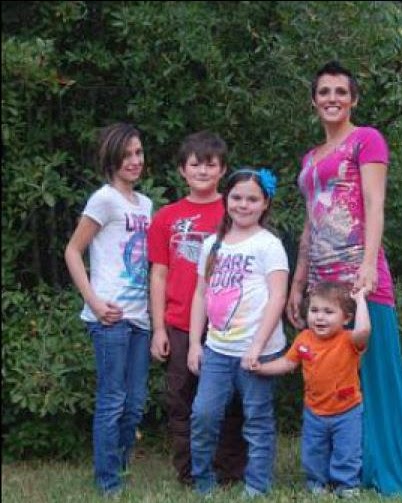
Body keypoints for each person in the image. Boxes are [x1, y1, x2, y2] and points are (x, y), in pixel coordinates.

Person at [286, 60, 402, 497]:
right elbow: (310, 223)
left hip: (360, 280)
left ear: (354, 99)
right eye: (324, 92)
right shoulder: (310, 158)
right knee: (333, 379)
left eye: (341, 92)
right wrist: (297, 282)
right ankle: (344, 469)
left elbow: (374, 203)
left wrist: (367, 264)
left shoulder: (367, 139)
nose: (332, 99)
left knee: (376, 378)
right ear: (314, 101)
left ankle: (387, 470)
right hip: (322, 288)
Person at [147, 131, 247, 486]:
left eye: (211, 164)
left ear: (223, 170)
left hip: (227, 323)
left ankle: (229, 471)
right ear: (182, 170)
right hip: (178, 323)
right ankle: (189, 472)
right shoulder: (166, 217)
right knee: (181, 401)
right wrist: (159, 328)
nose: (203, 171)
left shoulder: (235, 211)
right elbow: (158, 274)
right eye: (195, 164)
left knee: (229, 401)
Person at [187, 168, 289, 497]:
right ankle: (203, 480)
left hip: (258, 352)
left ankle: (257, 485)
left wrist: (257, 346)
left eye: (252, 199)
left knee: (257, 420)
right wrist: (194, 343)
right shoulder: (211, 245)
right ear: (226, 199)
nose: (243, 205)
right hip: (217, 349)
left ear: (265, 203)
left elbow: (278, 297)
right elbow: (201, 294)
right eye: (237, 197)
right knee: (204, 414)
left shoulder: (269, 245)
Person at [64, 122, 152, 497]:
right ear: (111, 159)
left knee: (134, 405)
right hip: (110, 319)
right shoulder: (103, 199)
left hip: (140, 318)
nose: (134, 161)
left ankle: (121, 468)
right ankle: (108, 483)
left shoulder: (145, 204)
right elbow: (72, 251)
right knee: (112, 402)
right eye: (126, 154)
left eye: (138, 153)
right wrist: (95, 304)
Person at [252, 281, 370, 499]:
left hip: (347, 411)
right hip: (314, 411)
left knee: (347, 451)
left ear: (346, 318)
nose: (320, 317)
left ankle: (346, 484)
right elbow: (287, 363)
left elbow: (363, 330)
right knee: (313, 451)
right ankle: (316, 483)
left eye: (328, 312)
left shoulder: (348, 340)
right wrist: (261, 368)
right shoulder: (304, 339)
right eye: (314, 310)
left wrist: (360, 299)